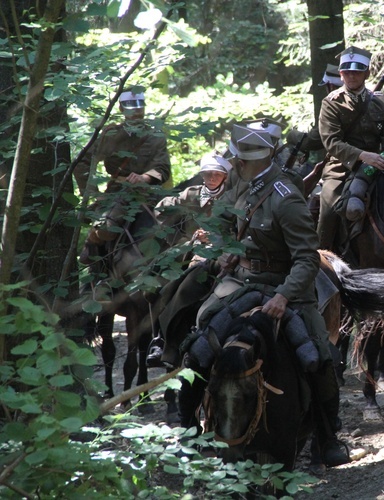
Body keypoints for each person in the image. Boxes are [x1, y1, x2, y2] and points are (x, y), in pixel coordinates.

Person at [179, 125, 350, 467]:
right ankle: (189, 430)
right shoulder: (239, 184)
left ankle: (328, 435)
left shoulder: (286, 197)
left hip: (283, 284)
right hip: (243, 280)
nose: (235, 164)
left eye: (240, 160)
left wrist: (285, 296)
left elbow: (305, 257)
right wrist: (228, 251)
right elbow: (226, 224)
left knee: (317, 354)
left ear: (256, 161)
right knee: (199, 341)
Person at [146, 153, 233, 367]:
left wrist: (216, 238)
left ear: (225, 176)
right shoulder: (192, 194)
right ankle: (158, 338)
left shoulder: (234, 197)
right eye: (207, 174)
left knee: (182, 289)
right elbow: (164, 208)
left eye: (216, 174)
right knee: (153, 280)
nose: (211, 178)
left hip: (222, 254)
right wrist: (181, 234)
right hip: (190, 250)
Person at [317, 46, 384, 250]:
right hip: (341, 169)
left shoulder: (379, 101)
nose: (351, 76)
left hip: (378, 165)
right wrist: (362, 156)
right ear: (340, 73)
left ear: (367, 73)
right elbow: (331, 142)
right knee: (329, 210)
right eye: (346, 72)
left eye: (356, 71)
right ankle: (322, 260)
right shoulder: (331, 103)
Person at [77, 90, 171, 265]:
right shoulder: (110, 135)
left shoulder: (155, 136)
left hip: (149, 192)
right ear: (121, 108)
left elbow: (163, 168)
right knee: (107, 228)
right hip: (118, 192)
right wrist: (93, 193)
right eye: (130, 107)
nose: (136, 111)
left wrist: (145, 178)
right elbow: (83, 162)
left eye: (139, 106)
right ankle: (93, 244)